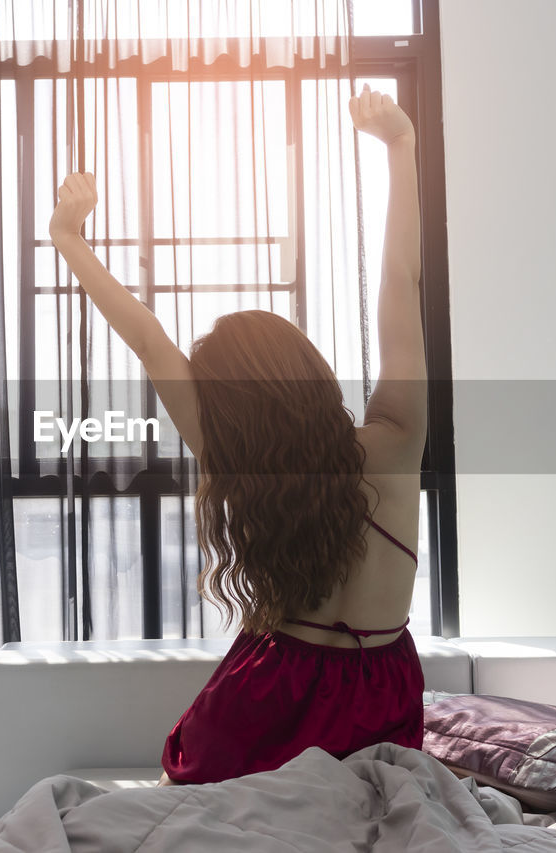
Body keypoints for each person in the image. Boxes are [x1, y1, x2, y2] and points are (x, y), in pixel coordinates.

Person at [48, 84, 427, 786]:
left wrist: (69, 238)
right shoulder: (397, 441)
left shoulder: (238, 456)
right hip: (383, 698)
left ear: (234, 410)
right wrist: (400, 149)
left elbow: (149, 340)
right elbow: (401, 281)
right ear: (309, 373)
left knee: (187, 786)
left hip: (269, 693)